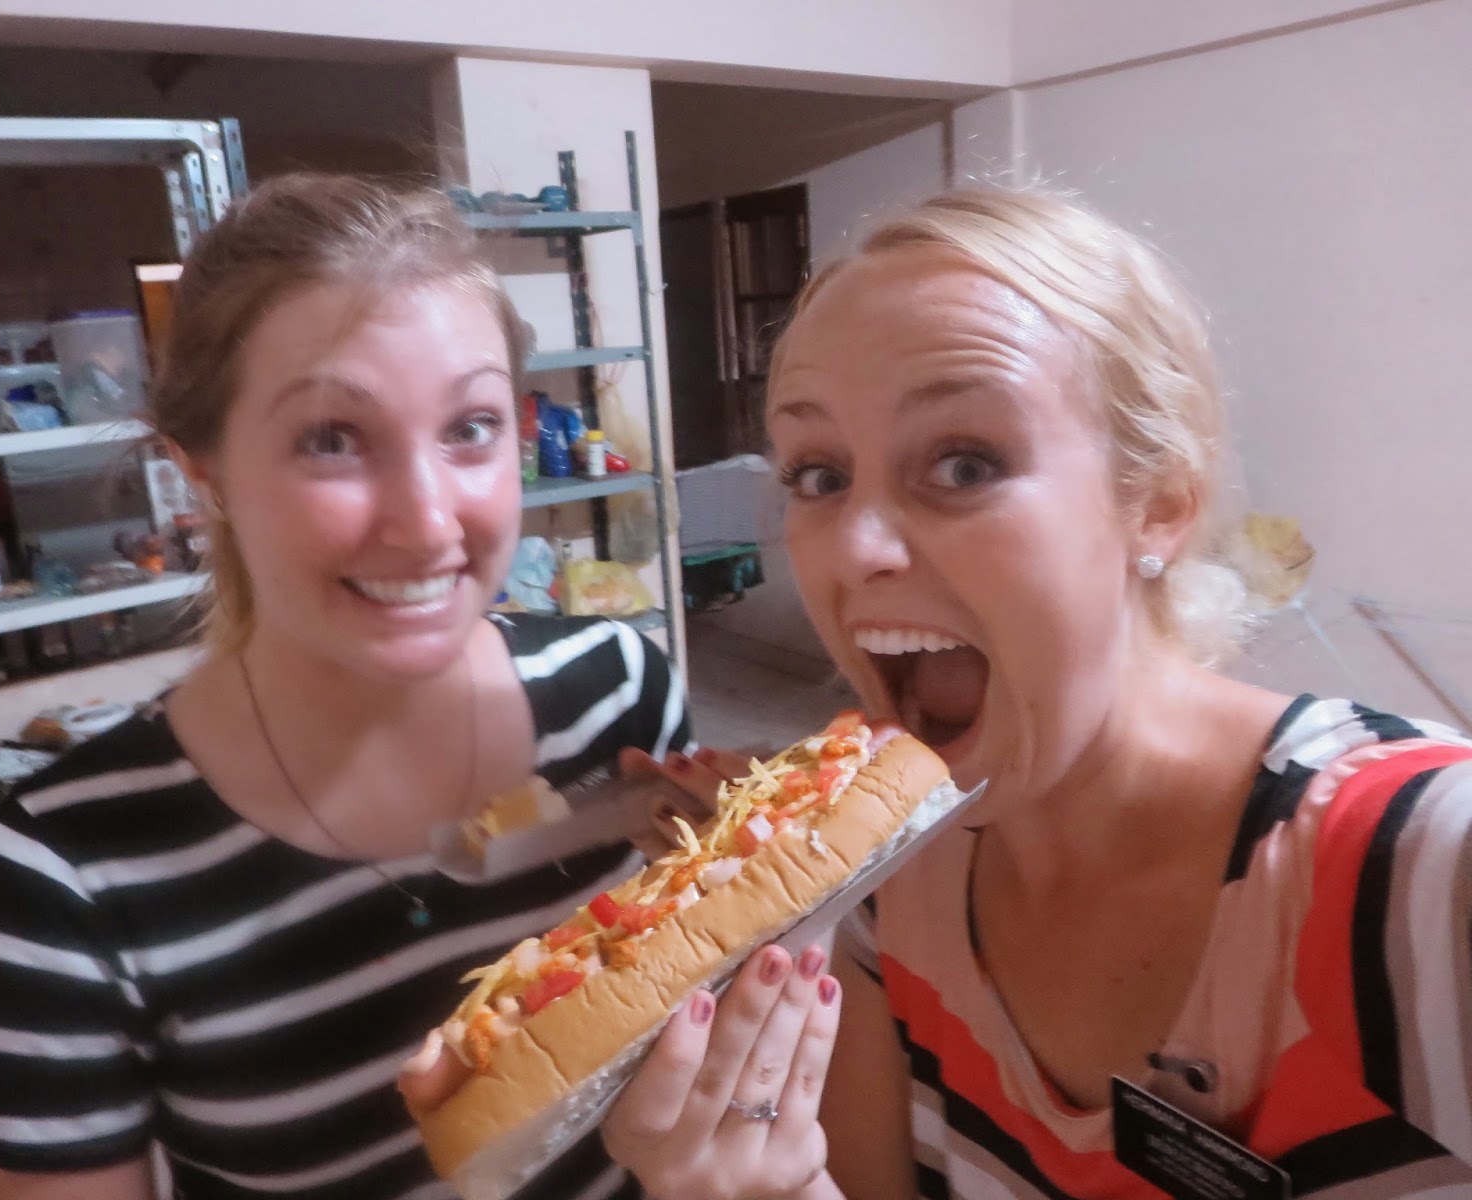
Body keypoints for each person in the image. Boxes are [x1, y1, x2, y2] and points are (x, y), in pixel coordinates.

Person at [602, 188, 1472, 1198]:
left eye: (964, 463)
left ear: (1158, 505)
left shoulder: (1428, 877)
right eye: (819, 475)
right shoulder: (886, 892)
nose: (854, 547)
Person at [0, 174, 691, 1200]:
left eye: (470, 426)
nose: (428, 524)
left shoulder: (618, 696)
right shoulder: (59, 883)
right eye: (332, 438)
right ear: (200, 472)